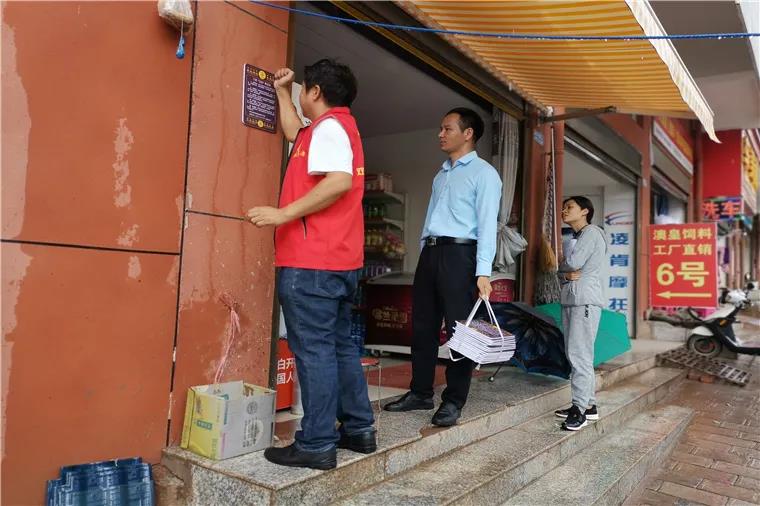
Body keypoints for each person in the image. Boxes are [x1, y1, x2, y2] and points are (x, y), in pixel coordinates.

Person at [247, 59, 374, 470]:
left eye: (304, 88)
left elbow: (338, 181)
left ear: (316, 91)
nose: (302, 94)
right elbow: (292, 132)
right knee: (339, 347)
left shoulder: (329, 129)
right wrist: (283, 92)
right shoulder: (327, 129)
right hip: (337, 261)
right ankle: (358, 429)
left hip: (312, 262)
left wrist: (282, 214)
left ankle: (317, 442)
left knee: (315, 351)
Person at [384, 108, 502, 427]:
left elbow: (487, 225)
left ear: (468, 133)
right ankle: (420, 392)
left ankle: (453, 400)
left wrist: (483, 271)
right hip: (432, 254)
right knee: (422, 326)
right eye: (441, 128)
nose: (441, 134)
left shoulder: (484, 174)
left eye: (447, 128)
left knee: (459, 331)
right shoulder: (441, 175)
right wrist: (424, 251)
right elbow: (430, 219)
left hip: (461, 256)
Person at [554, 196, 608, 431]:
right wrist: (564, 273)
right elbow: (566, 271)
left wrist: (562, 267)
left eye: (570, 207)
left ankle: (579, 410)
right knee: (577, 354)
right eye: (563, 207)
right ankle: (589, 405)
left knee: (579, 355)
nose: (564, 211)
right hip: (574, 300)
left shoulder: (591, 233)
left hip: (584, 301)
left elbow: (573, 262)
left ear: (585, 211)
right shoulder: (578, 236)